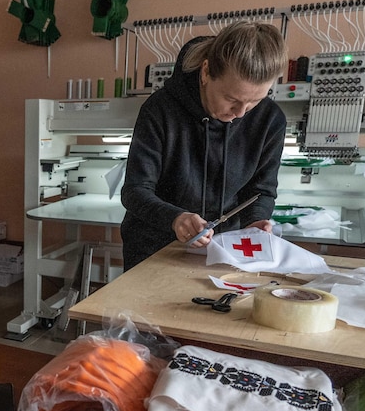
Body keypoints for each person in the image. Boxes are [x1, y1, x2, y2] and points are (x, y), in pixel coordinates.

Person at [120, 21, 288, 270]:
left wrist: (255, 221)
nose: (241, 113)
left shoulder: (270, 119)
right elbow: (135, 190)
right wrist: (176, 218)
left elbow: (261, 191)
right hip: (154, 248)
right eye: (232, 99)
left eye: (255, 101)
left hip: (224, 248)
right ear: (206, 72)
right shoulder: (160, 110)